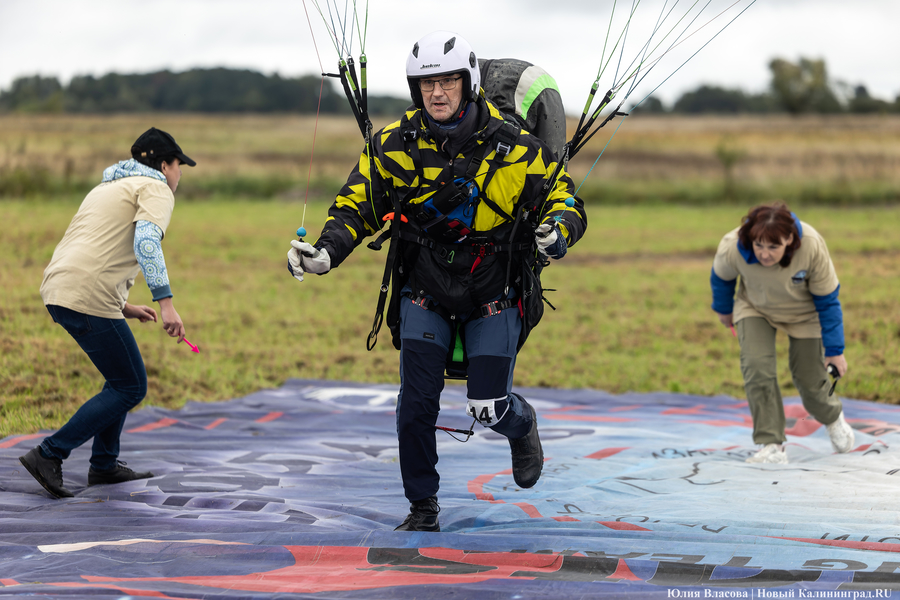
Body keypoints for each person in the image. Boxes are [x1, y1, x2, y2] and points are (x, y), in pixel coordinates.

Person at [287, 31, 586, 530]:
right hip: (426, 287)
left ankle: (521, 425)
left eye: (448, 81)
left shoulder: (518, 149)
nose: (437, 92)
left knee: (487, 406)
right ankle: (422, 506)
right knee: (415, 405)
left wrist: (558, 233)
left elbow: (566, 201)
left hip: (493, 288)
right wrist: (325, 253)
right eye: (427, 84)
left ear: (469, 84)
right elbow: (356, 205)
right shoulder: (393, 145)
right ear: (415, 89)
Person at [19, 127, 195, 498]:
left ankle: (103, 464)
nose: (180, 174)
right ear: (164, 165)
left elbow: (95, 248)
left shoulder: (108, 187)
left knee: (119, 379)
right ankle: (49, 454)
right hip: (88, 294)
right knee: (131, 385)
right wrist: (166, 303)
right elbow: (146, 242)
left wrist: (124, 306)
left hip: (59, 288)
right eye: (179, 165)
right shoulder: (156, 188)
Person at [710, 202, 853, 464]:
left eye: (773, 247)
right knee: (757, 369)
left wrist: (835, 351)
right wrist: (723, 309)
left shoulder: (811, 245)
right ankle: (771, 444)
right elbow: (721, 277)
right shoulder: (732, 246)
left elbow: (828, 301)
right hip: (755, 307)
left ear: (789, 239)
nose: (764, 254)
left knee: (810, 381)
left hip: (804, 314)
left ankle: (833, 418)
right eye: (759, 245)